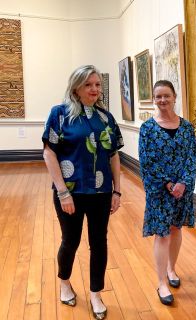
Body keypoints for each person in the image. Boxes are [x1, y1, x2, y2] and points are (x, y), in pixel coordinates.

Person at [42, 65, 124, 320]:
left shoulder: (105, 118)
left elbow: (113, 155)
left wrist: (117, 191)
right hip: (71, 193)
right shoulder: (60, 114)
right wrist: (62, 192)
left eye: (98, 84)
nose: (94, 89)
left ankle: (96, 293)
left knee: (99, 243)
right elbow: (49, 152)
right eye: (88, 84)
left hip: (100, 192)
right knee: (71, 241)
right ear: (76, 87)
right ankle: (64, 282)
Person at [139, 80, 196, 306]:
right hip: (159, 191)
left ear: (175, 97)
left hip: (182, 191)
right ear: (154, 100)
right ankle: (161, 281)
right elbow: (147, 161)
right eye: (158, 97)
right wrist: (168, 184)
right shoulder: (148, 129)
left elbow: (192, 158)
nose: (162, 100)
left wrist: (182, 183)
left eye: (166, 96)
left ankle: (172, 269)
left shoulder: (187, 127)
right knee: (162, 234)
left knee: (176, 228)